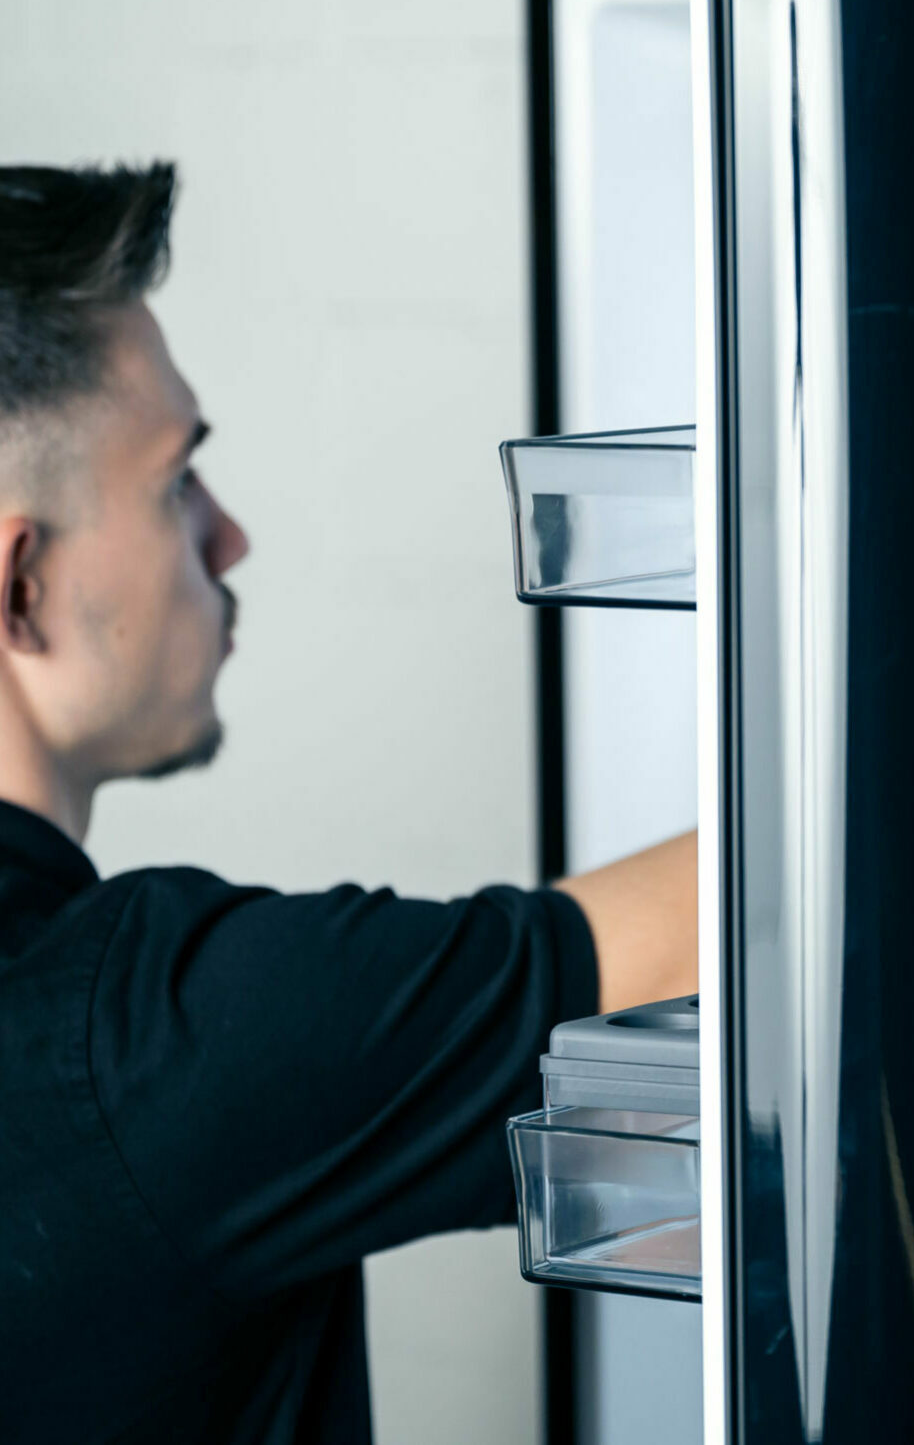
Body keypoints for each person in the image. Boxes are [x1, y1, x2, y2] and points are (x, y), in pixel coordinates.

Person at [0, 161, 697, 1444]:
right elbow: (756, 910)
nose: (228, 538)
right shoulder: (160, 1047)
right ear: (21, 589)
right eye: (175, 482)